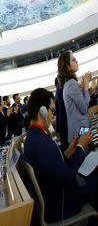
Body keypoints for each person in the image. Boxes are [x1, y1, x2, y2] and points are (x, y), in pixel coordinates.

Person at [23, 88, 97, 223]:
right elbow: (68, 176)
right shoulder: (40, 143)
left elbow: (52, 165)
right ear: (43, 112)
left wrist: (68, 153)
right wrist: (80, 147)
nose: (52, 115)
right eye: (52, 110)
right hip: (62, 205)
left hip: (56, 197)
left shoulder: (34, 136)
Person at [58, 50, 91, 142]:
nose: (77, 61)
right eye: (73, 60)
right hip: (80, 132)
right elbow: (84, 109)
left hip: (78, 131)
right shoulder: (72, 84)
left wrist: (83, 88)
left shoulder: (69, 83)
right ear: (67, 66)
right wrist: (86, 88)